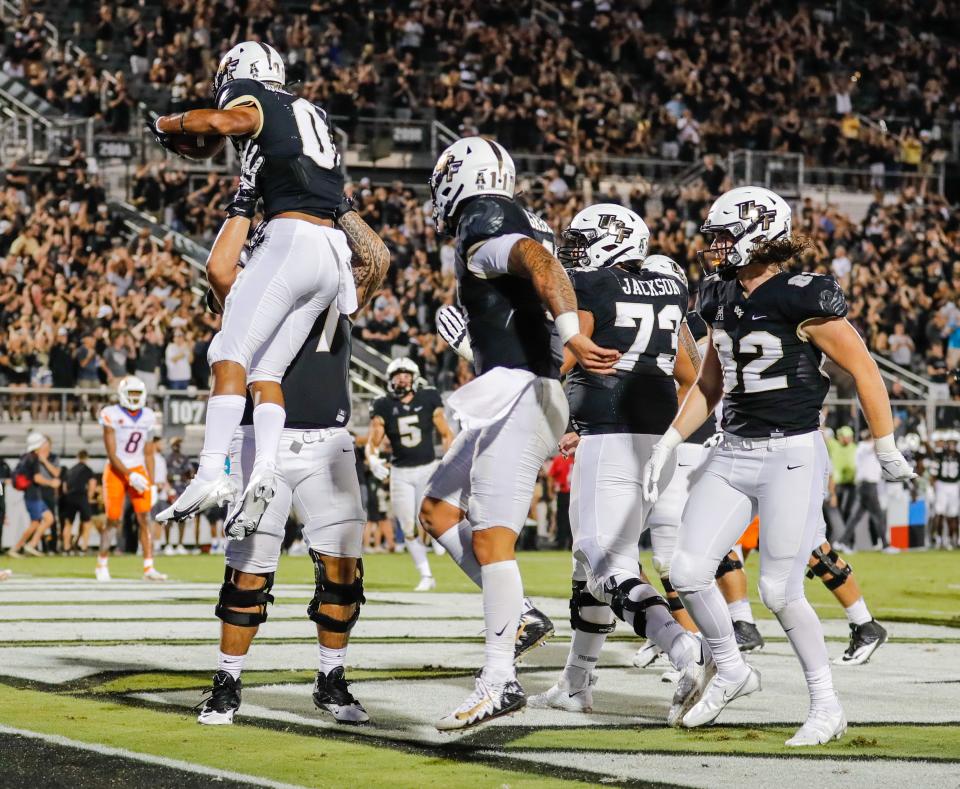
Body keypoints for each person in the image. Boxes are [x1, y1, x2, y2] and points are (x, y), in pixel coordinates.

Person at [641, 186, 915, 745]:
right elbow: (710, 384)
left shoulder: (801, 295)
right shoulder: (719, 296)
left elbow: (865, 370)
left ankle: (826, 705)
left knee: (781, 591)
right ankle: (733, 669)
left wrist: (885, 446)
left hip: (791, 451)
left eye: (723, 234)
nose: (713, 246)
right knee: (688, 569)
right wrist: (670, 440)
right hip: (733, 447)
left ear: (757, 236)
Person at [417, 136, 620, 731]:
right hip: (521, 388)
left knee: (493, 540)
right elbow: (537, 279)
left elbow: (536, 259)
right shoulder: (514, 218)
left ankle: (499, 679)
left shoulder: (487, 218)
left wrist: (567, 336)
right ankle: (523, 617)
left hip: (520, 394)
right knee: (436, 508)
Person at [195, 193, 389, 726]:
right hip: (261, 443)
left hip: (329, 441)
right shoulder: (246, 290)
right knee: (248, 573)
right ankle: (226, 682)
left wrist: (334, 201)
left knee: (343, 574)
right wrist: (245, 204)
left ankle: (331, 679)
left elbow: (376, 258)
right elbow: (217, 270)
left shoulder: (336, 285)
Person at [155, 42, 355, 539]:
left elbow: (222, 125)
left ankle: (209, 474)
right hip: (333, 250)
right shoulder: (311, 111)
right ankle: (265, 468)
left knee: (228, 350)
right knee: (266, 369)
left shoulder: (252, 96)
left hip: (292, 237)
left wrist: (168, 124)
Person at [526, 204, 710, 725]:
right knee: (589, 567)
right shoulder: (669, 289)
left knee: (605, 562)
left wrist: (487, 353)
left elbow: (561, 358)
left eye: (582, 242)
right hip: (657, 437)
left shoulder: (594, 286)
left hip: (609, 434)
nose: (574, 254)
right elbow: (686, 369)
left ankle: (682, 647)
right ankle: (576, 682)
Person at [367, 357, 453, 591]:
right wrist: (372, 458)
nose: (402, 379)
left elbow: (445, 433)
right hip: (400, 472)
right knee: (407, 526)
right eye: (397, 375)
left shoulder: (428, 397)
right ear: (389, 380)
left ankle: (438, 540)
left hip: (428, 468)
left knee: (431, 518)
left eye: (406, 375)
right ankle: (426, 575)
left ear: (415, 379)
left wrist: (449, 460)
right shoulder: (383, 404)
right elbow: (374, 439)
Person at [99, 375, 166, 581]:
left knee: (145, 517)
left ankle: (149, 567)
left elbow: (148, 453)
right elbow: (112, 454)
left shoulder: (148, 416)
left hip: (138, 468)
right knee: (113, 519)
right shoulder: (110, 413)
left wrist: (152, 483)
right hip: (116, 470)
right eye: (131, 394)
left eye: (138, 393)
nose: (135, 397)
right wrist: (130, 476)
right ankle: (102, 563)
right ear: (122, 395)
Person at [9, 432, 60, 557]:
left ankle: (31, 545)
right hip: (33, 495)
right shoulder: (34, 458)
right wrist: (51, 483)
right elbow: (37, 478)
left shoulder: (26, 457)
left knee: (49, 518)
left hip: (34, 494)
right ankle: (16, 548)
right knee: (35, 523)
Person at [60, 450, 97, 555]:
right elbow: (92, 484)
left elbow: (65, 487)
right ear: (87, 458)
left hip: (70, 497)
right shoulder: (88, 470)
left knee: (68, 523)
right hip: (82, 497)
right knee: (87, 522)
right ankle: (83, 547)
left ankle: (66, 548)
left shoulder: (70, 470)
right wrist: (89, 497)